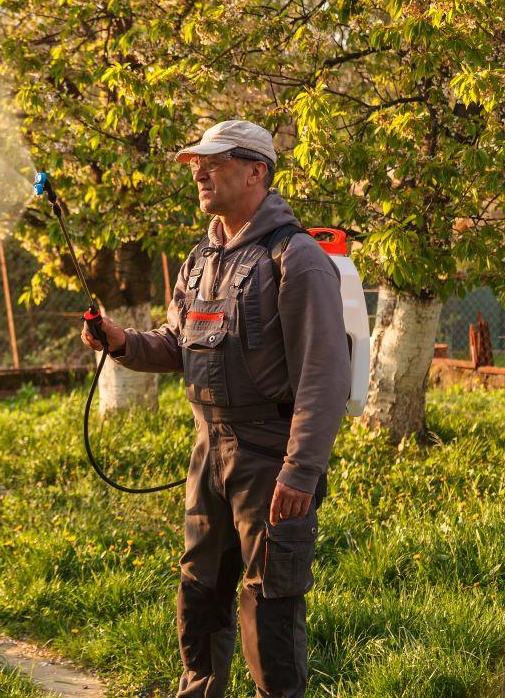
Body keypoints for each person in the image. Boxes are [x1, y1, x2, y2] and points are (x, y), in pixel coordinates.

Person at [80, 119, 349, 697]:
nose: (199, 171)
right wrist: (123, 341)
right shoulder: (203, 258)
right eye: (196, 163)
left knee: (268, 600)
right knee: (200, 591)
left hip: (269, 458)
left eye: (214, 161)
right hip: (210, 452)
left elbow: (324, 376)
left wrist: (300, 470)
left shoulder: (296, 258)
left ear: (256, 171)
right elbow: (179, 342)